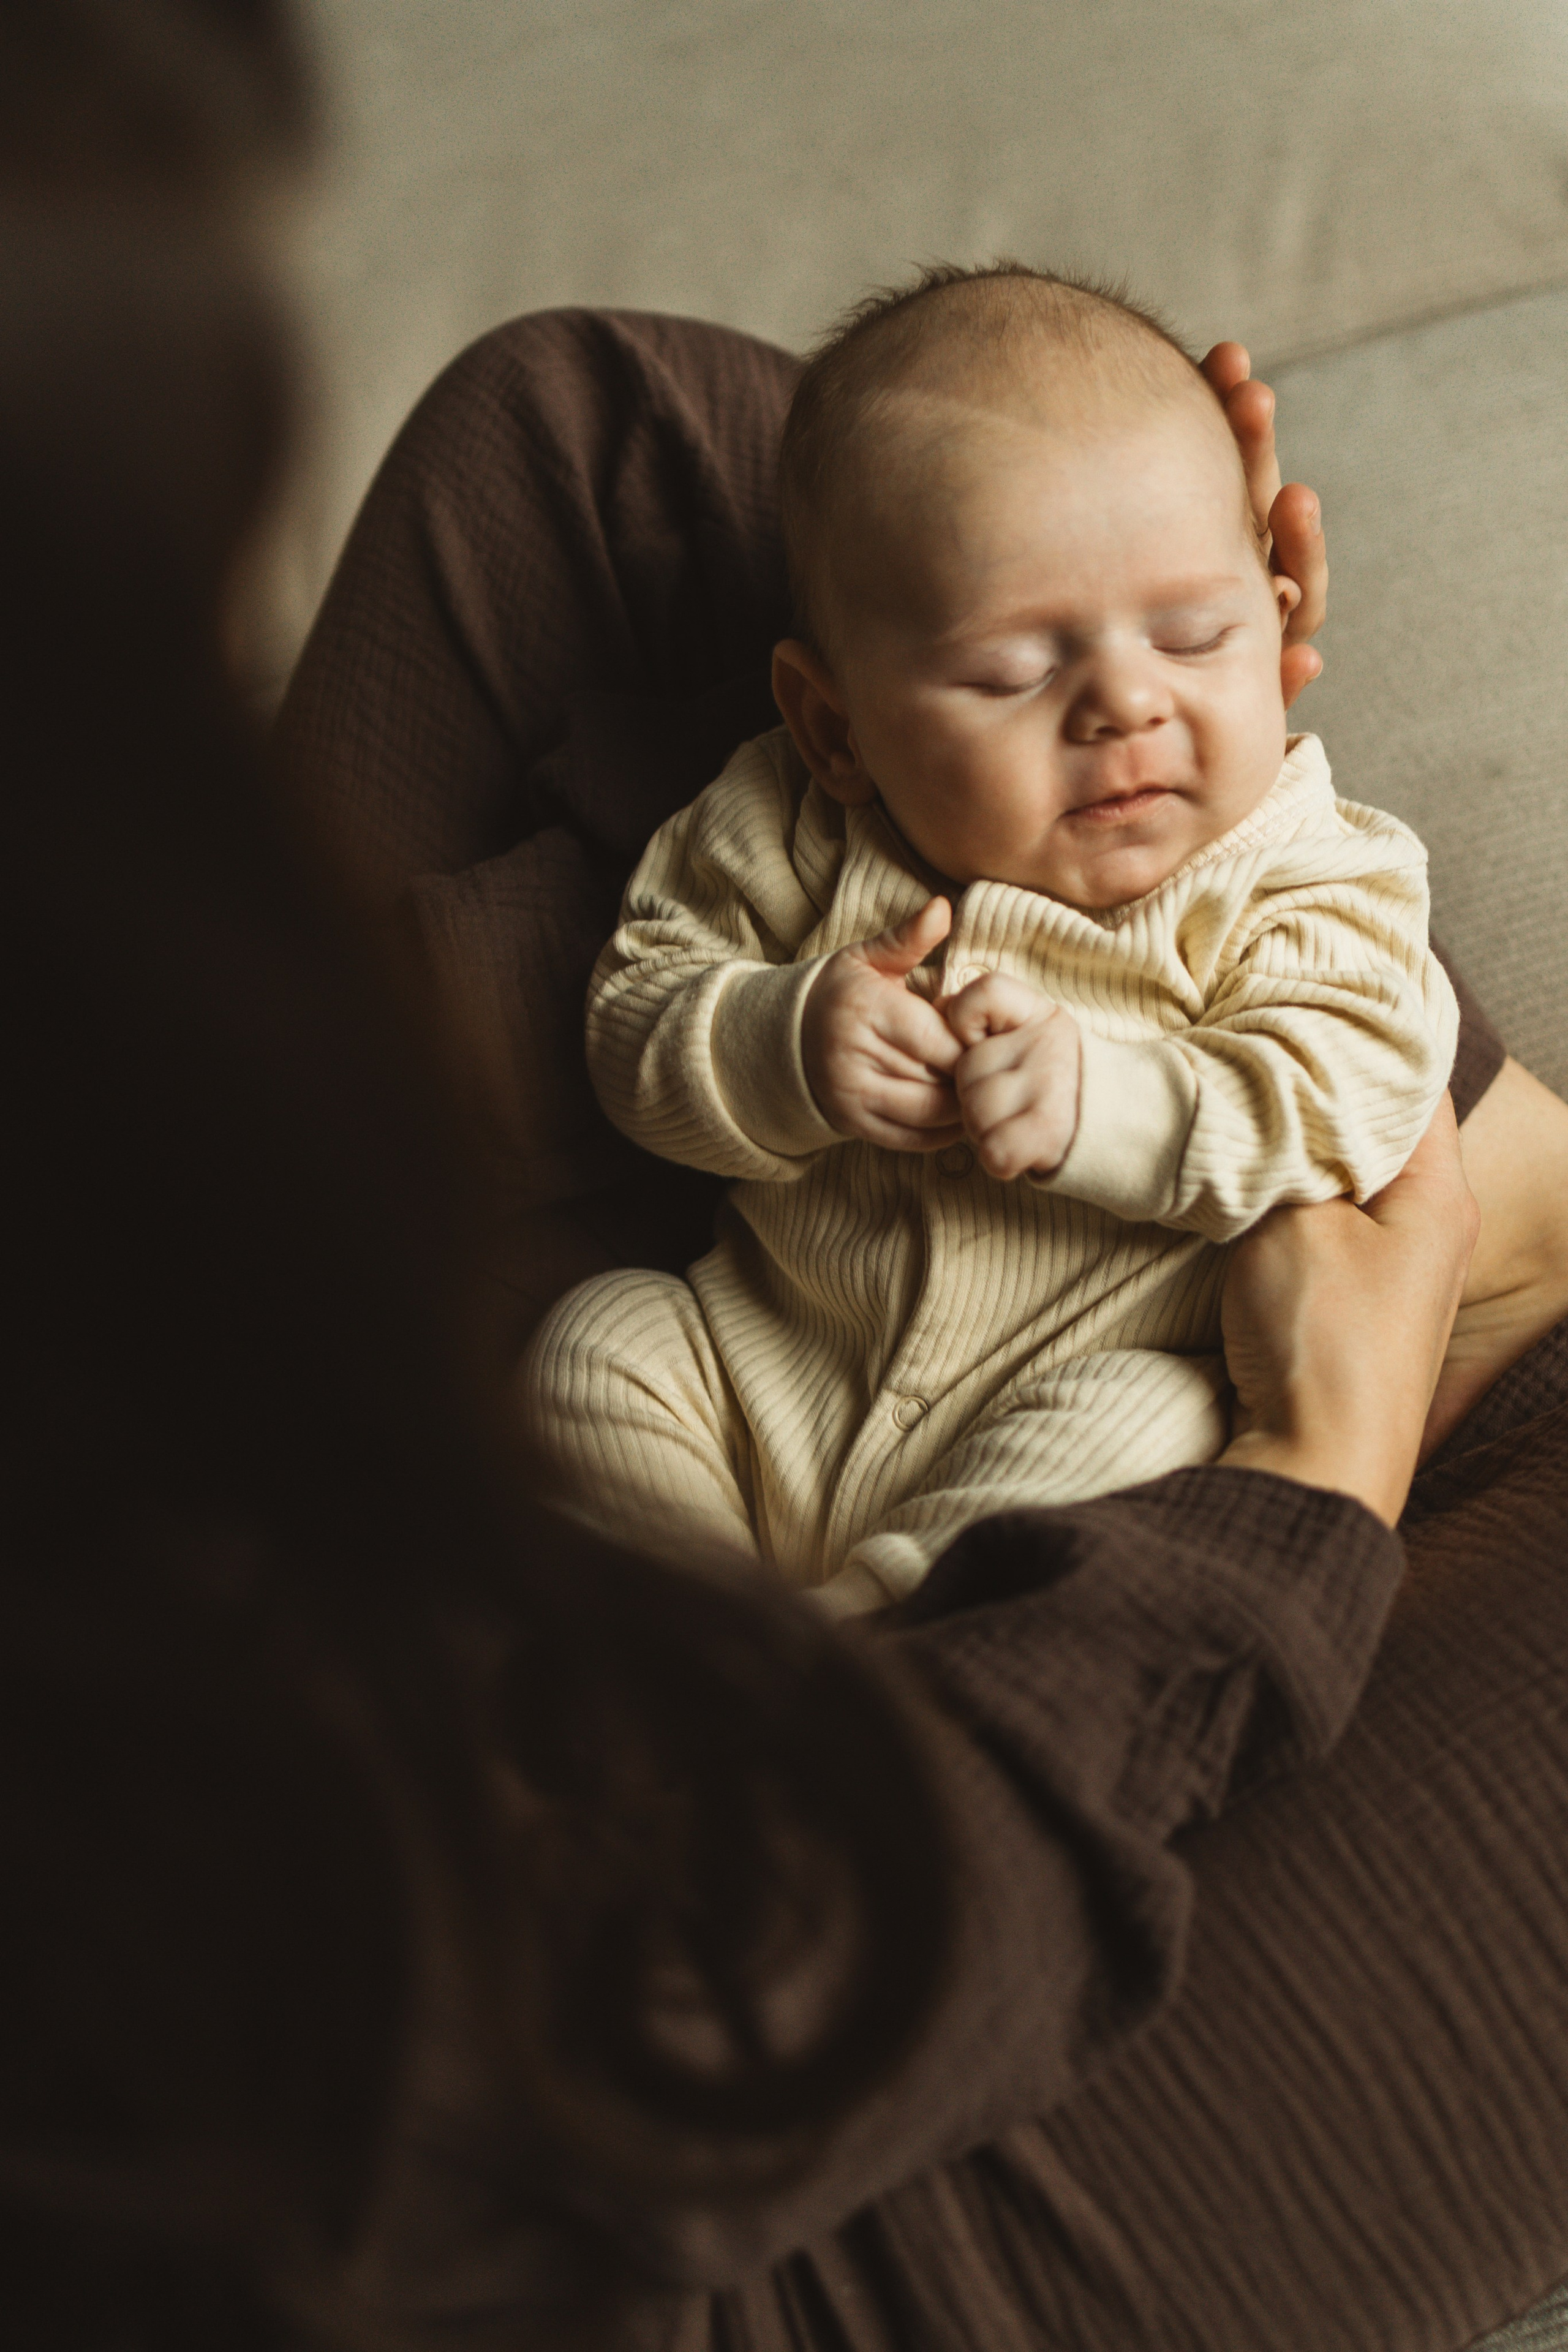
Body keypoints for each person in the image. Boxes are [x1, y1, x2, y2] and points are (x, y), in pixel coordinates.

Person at [7, 5, 1568, 2348]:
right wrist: (1302, 1491)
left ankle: (1250, 952)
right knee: (662, 1333)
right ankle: (1443, 1163)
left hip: (574, 1424)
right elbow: (723, 2033)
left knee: (605, 436)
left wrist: (1052, 652)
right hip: (745, 2121)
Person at [521, 264, 1476, 1611]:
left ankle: (859, 1650)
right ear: (832, 727)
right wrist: (777, 1039)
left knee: (1151, 1429)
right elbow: (632, 1018)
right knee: (594, 1347)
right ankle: (714, 1633)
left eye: (1195, 637)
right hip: (763, 1379)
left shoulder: (1306, 869)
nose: (1125, 705)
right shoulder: (782, 826)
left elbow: (1353, 1097)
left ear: (1275, 628)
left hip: (1049, 1409)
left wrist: (1114, 1103)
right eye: (1011, 673)